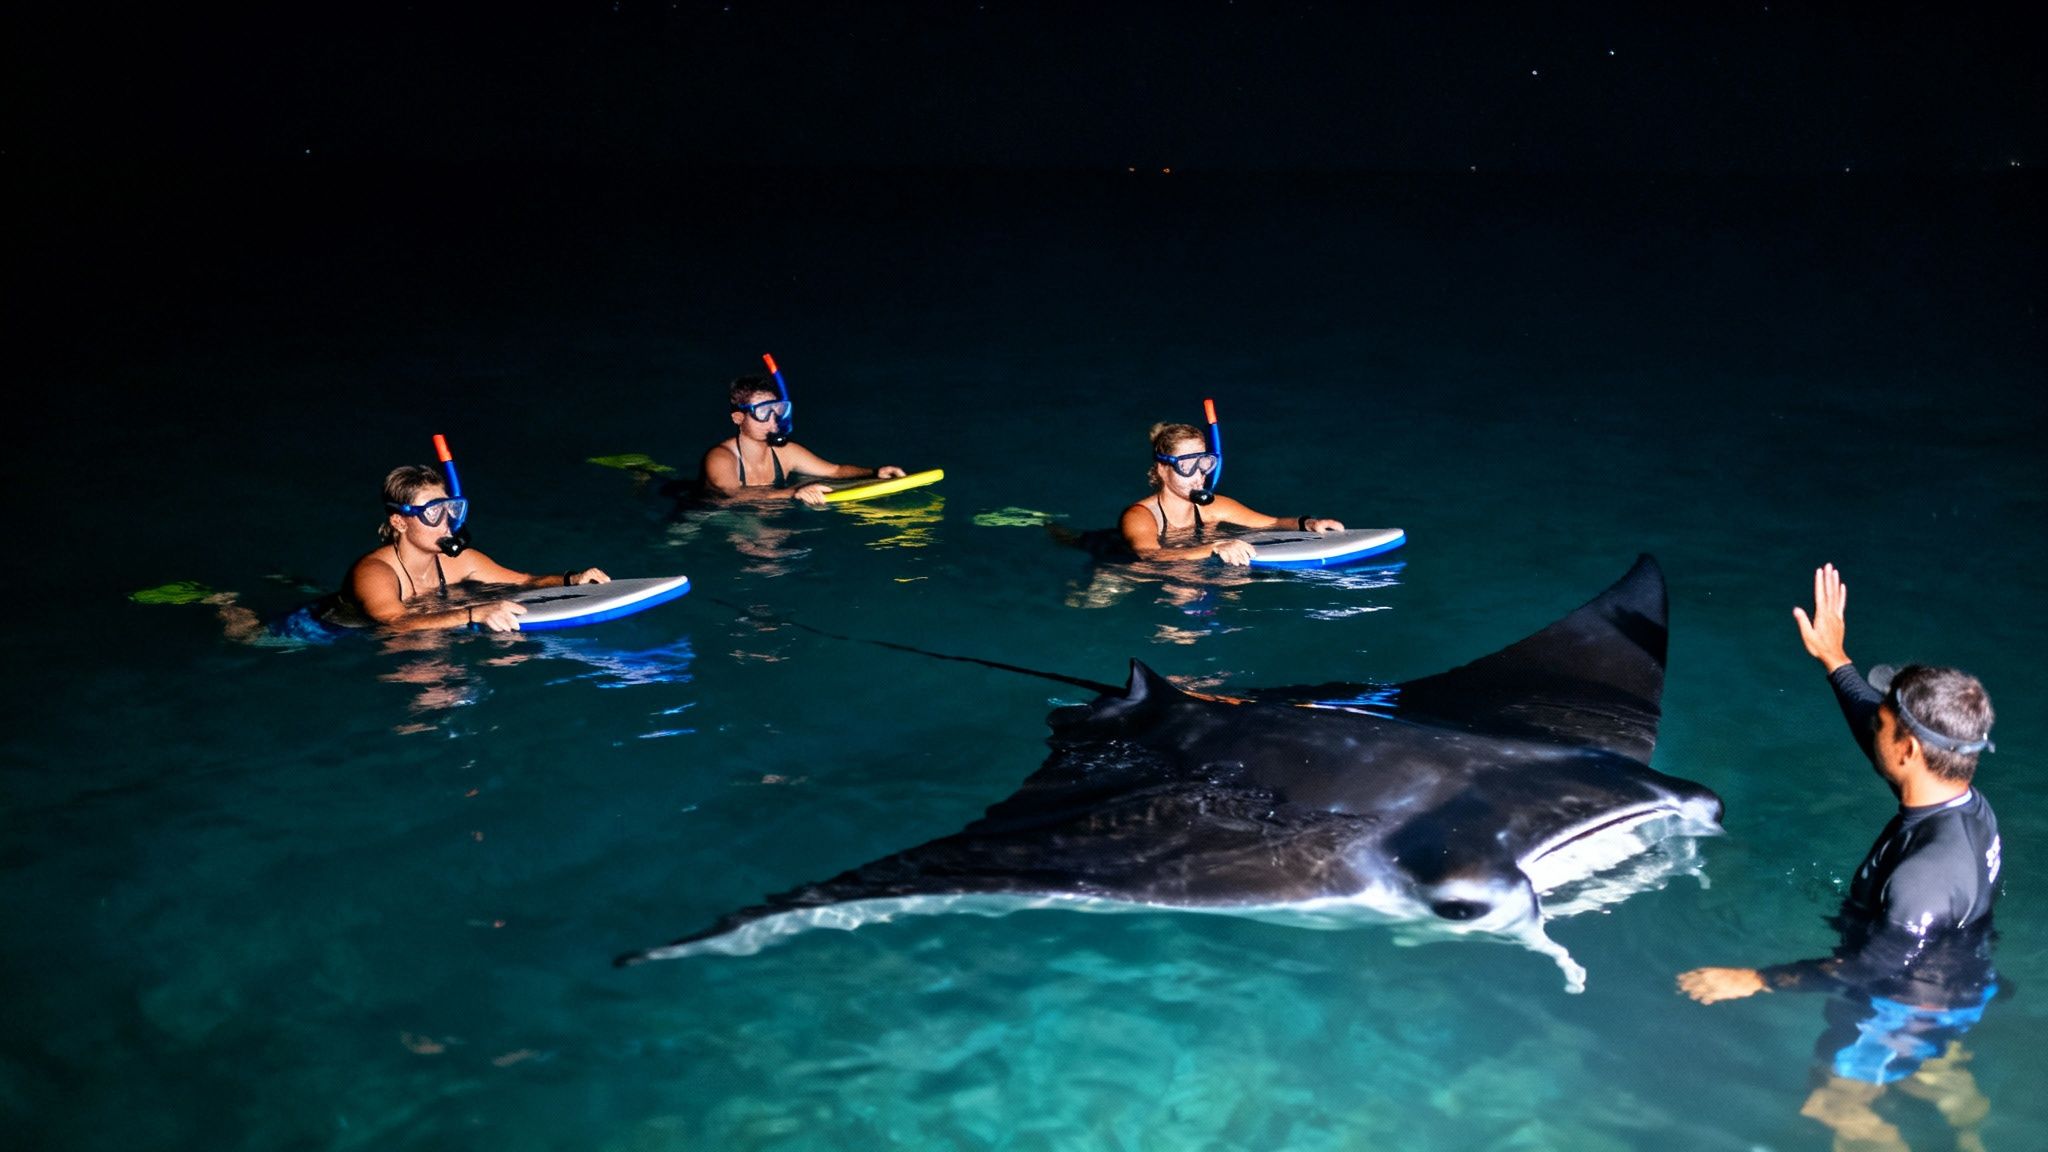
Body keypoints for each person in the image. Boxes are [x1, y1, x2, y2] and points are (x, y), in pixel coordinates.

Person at [1677, 563, 2001, 1151]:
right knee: (1938, 1074)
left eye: (1882, 720)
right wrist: (1835, 658)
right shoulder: (1964, 804)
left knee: (1833, 1107)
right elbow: (1880, 740)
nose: (1872, 722)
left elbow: (1869, 968)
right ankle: (1968, 1130)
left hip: (1897, 1004)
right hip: (1960, 985)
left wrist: (1754, 979)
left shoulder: (1925, 875)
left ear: (1908, 748)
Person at [342, 464, 610, 633]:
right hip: (339, 634)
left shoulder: (460, 561)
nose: (447, 521)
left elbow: (525, 582)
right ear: (400, 522)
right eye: (433, 512)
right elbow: (394, 623)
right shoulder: (374, 571)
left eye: (450, 508)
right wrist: (474, 613)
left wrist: (571, 580)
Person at [1116, 422, 1344, 565]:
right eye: (1187, 466)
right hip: (1127, 569)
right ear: (1162, 469)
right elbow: (1149, 555)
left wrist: (1308, 524)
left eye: (1204, 463)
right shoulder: (1139, 516)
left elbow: (1271, 523)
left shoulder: (1213, 507)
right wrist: (1213, 548)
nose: (1198, 475)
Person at [699, 376, 904, 507]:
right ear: (738, 418)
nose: (772, 420)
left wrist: (874, 473)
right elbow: (731, 495)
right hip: (711, 513)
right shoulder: (720, 457)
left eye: (777, 410)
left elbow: (835, 471)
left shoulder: (785, 452)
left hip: (769, 510)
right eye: (762, 412)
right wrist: (795, 492)